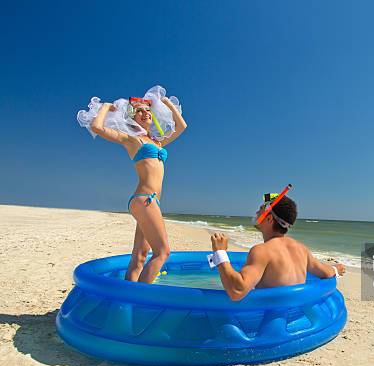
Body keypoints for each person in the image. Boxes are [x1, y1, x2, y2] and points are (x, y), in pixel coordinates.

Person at [77, 86, 187, 283]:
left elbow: (182, 127)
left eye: (148, 111)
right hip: (144, 199)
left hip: (152, 203)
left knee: (140, 257)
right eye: (139, 111)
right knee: (162, 252)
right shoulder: (132, 140)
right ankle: (141, 299)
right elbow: (97, 128)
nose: (145, 113)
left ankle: (126, 302)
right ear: (132, 118)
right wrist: (107, 107)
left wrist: (167, 104)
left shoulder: (158, 143)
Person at [209, 195, 345, 301]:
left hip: (272, 320)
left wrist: (220, 253)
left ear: (268, 219)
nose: (256, 212)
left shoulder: (262, 251)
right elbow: (325, 272)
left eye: (260, 209)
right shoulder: (302, 249)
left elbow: (237, 291)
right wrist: (335, 268)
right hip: (296, 313)